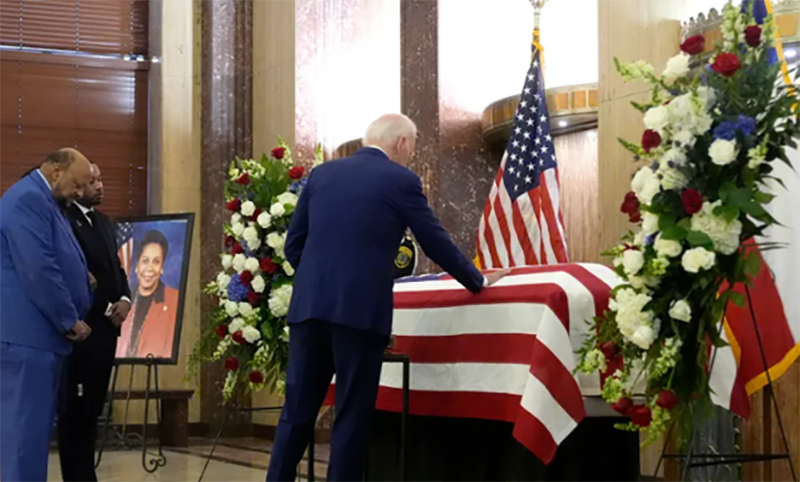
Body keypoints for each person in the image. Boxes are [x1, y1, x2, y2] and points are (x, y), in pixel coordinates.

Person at [266, 114, 510, 482]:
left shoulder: (322, 175)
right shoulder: (401, 180)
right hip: (359, 315)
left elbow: (293, 245)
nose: (411, 154)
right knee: (351, 414)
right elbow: (434, 241)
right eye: (412, 146)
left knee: (296, 413)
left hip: (308, 309)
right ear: (400, 143)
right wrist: (477, 280)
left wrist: (321, 283)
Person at [0, 149, 94, 482]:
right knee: (23, 438)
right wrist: (68, 318)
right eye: (78, 184)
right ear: (57, 171)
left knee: (30, 435)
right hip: (29, 340)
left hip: (37, 341)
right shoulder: (29, 199)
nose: (81, 193)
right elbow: (38, 268)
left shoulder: (44, 200)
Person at [59, 162, 132, 482]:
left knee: (93, 409)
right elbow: (78, 275)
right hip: (83, 328)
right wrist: (105, 306)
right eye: (93, 181)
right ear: (77, 186)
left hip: (107, 332)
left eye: (102, 179)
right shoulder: (64, 220)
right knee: (74, 412)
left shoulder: (103, 222)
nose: (101, 185)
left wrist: (126, 300)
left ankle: (87, 474)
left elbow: (116, 270)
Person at [116, 230, 180, 359]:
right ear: (137, 266)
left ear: (162, 267)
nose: (149, 268)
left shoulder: (174, 300)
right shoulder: (123, 300)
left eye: (156, 262)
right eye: (145, 261)